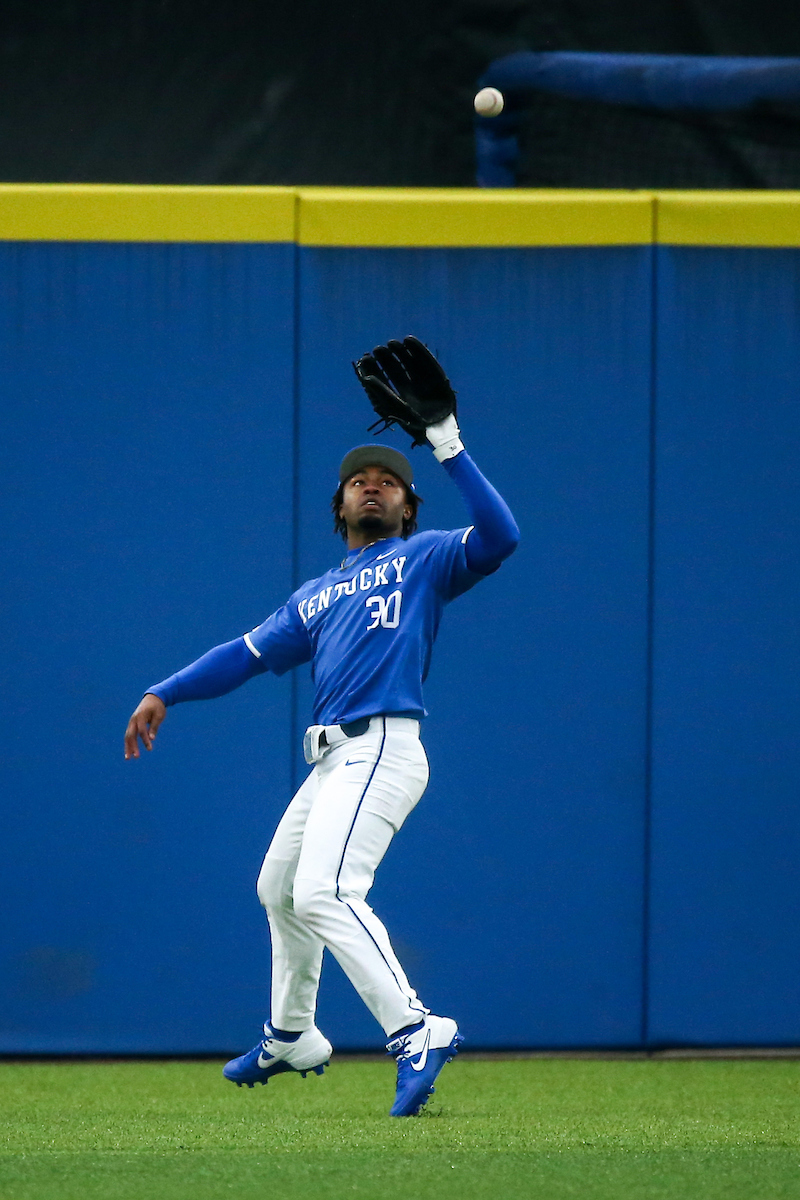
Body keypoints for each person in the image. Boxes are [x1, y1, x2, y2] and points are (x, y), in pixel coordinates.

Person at [124, 338, 519, 1117]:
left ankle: (415, 1029)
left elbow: (501, 538)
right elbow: (241, 655)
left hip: (383, 745)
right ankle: (292, 1034)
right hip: (333, 763)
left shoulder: (426, 558)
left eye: (388, 483)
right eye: (358, 482)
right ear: (338, 506)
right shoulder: (317, 594)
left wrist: (445, 442)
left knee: (328, 887)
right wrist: (166, 690)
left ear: (409, 507)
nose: (372, 487)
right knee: (280, 888)